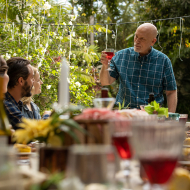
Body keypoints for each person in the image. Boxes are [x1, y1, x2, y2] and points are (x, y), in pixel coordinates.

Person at [100, 23, 177, 112]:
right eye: (136, 36)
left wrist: (171, 117)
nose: (137, 41)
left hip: (151, 114)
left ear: (153, 41)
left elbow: (171, 92)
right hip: (125, 114)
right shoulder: (120, 56)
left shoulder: (163, 61)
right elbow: (105, 82)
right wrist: (105, 65)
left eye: (142, 39)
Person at [4, 57, 35, 130]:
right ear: (21, 81)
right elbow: (30, 133)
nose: (33, 81)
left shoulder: (17, 104)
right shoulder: (6, 105)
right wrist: (47, 116)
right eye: (32, 77)